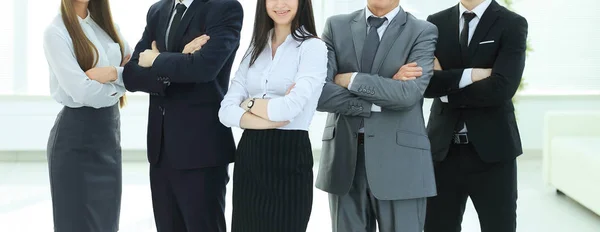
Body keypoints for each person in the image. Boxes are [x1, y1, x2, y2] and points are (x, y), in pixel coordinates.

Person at [315, 0, 438, 231]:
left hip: (401, 162)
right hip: (344, 160)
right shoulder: (335, 26)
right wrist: (386, 90)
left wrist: (349, 79)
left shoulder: (422, 31)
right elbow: (320, 94)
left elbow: (407, 95)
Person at [121, 0, 243, 231]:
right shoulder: (158, 10)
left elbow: (204, 68)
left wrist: (156, 59)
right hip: (160, 150)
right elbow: (131, 74)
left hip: (201, 151)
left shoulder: (224, 8)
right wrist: (180, 58)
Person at [418, 0, 528, 231]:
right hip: (442, 152)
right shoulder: (434, 23)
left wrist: (447, 91)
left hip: (493, 153)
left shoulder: (512, 23)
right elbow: (427, 85)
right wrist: (473, 75)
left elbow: (502, 87)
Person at [218, 0, 326, 231]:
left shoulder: (313, 48)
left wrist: (248, 103)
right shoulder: (256, 48)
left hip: (290, 156)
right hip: (251, 156)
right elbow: (225, 111)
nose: (280, 4)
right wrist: (267, 112)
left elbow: (290, 109)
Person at [43, 0, 131, 231]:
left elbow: (134, 68)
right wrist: (120, 82)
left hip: (109, 140)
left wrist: (110, 74)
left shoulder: (107, 26)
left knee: (107, 225)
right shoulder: (56, 32)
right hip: (75, 144)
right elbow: (82, 92)